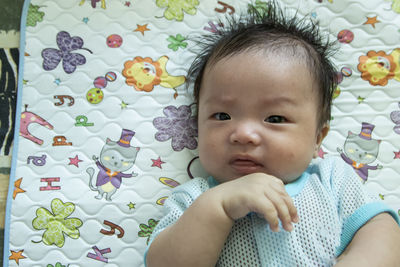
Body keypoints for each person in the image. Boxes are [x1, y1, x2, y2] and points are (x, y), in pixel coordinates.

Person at [145, 2, 400, 266]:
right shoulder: (193, 199)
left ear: (317, 139)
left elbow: (381, 229)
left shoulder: (332, 181)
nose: (243, 134)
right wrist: (218, 206)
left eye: (275, 118)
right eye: (222, 116)